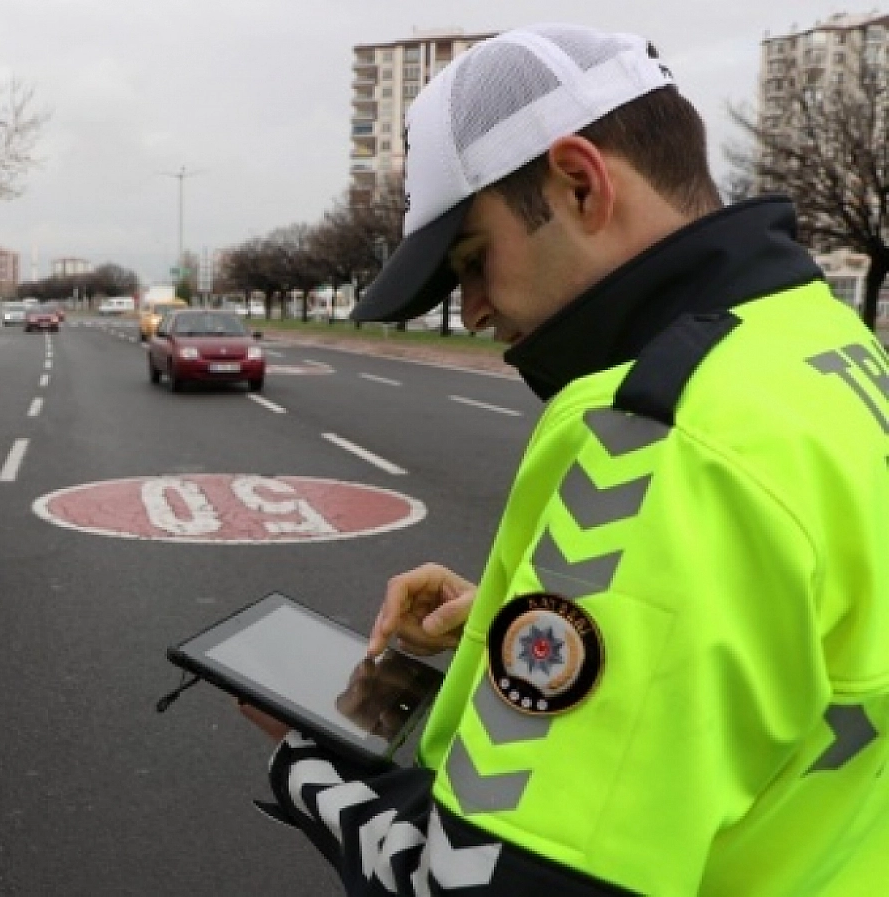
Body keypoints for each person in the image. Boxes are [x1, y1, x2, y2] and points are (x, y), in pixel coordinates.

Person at [239, 24, 889, 895]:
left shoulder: (656, 430)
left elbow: (472, 882)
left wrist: (302, 760)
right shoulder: (824, 341)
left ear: (580, 184)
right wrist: (521, 615)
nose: (470, 310)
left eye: (474, 260)